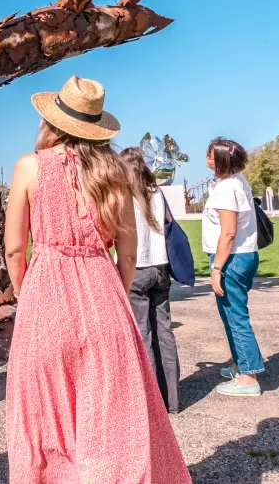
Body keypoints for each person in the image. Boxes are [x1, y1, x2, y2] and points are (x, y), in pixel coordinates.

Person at [5, 76, 191, 484]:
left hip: (46, 294)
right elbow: (127, 253)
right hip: (102, 290)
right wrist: (112, 294)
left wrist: (26, 293)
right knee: (111, 415)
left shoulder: (28, 167)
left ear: (52, 123)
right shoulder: (117, 174)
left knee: (47, 411)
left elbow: (15, 249)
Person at [121, 146, 181, 414]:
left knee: (142, 334)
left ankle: (151, 401)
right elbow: (170, 224)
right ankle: (173, 399)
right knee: (164, 332)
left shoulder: (123, 194)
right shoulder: (158, 192)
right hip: (161, 267)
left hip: (138, 269)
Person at [204, 137, 264, 397]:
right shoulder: (236, 181)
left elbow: (228, 233)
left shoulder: (227, 188)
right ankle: (241, 364)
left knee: (235, 317)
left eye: (209, 154)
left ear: (219, 160)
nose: (205, 158)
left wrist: (217, 268)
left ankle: (249, 377)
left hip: (232, 258)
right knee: (231, 314)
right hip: (243, 255)